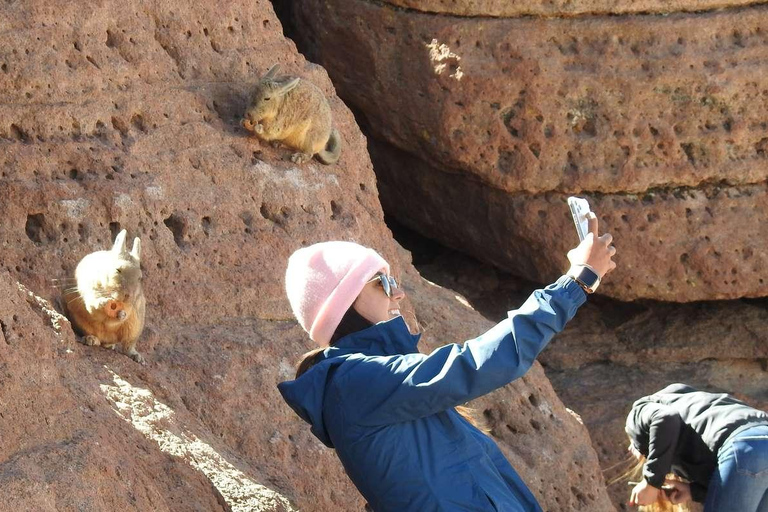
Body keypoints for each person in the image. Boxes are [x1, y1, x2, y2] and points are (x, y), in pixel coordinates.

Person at [278, 213, 616, 511]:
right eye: (383, 281)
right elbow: (475, 364)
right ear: (345, 303)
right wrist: (576, 282)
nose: (398, 293)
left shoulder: (377, 382)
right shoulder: (352, 382)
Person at [626, 383, 768, 511]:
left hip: (744, 445)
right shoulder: (697, 411)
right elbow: (740, 487)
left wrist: (651, 482)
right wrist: (692, 491)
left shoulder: (640, 410)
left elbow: (666, 418)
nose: (629, 449)